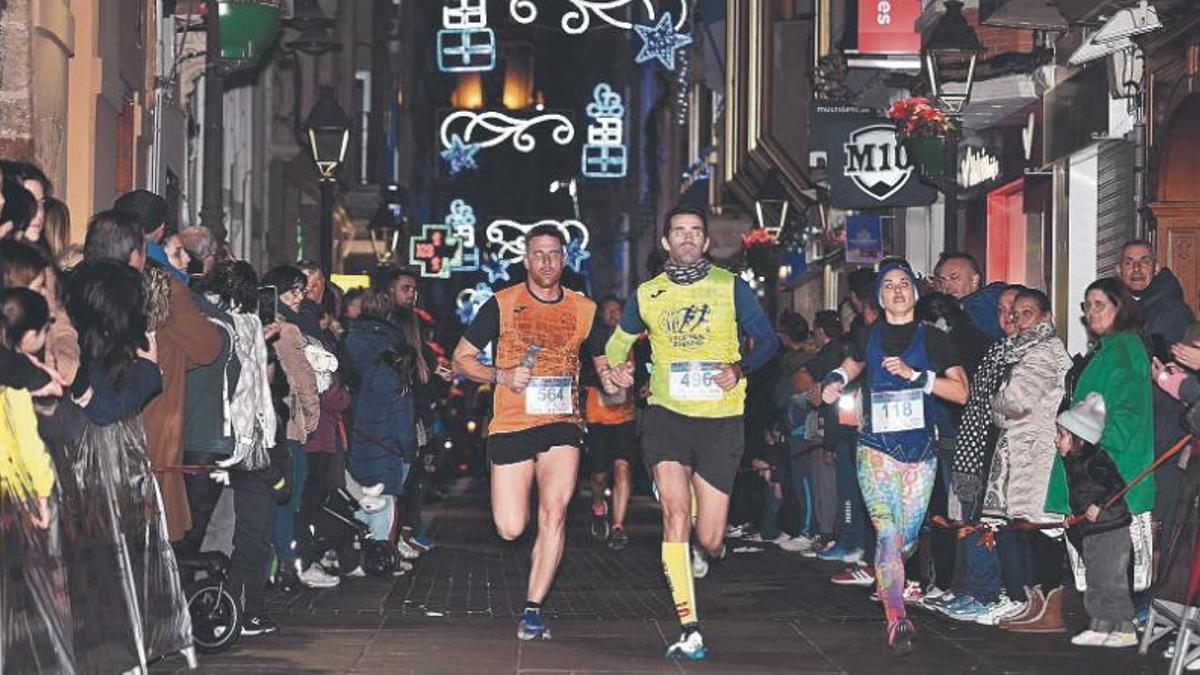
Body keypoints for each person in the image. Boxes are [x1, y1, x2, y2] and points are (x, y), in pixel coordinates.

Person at [598, 206, 779, 660]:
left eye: (695, 232)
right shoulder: (647, 295)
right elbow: (614, 348)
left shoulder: (730, 288)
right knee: (675, 515)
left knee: (711, 538)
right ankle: (690, 626)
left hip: (720, 419)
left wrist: (739, 367)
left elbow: (769, 342)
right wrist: (615, 374)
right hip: (666, 417)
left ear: (704, 242)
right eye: (678, 231)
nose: (686, 238)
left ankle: (704, 535)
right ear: (666, 242)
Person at [453, 224, 599, 642]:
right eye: (538, 254)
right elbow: (461, 358)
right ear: (525, 258)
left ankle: (533, 608)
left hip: (561, 421)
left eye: (554, 254)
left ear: (565, 258)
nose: (547, 262)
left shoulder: (583, 308)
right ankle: (530, 559)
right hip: (513, 421)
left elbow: (607, 356)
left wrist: (614, 372)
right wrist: (501, 374)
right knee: (511, 527)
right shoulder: (501, 304)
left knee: (554, 513)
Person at [819, 261, 969, 655]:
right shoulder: (868, 334)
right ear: (880, 296)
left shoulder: (934, 339)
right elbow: (850, 364)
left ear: (915, 294)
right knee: (886, 530)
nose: (898, 290)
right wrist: (835, 381)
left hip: (920, 453)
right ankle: (896, 616)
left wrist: (918, 377)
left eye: (905, 283)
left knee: (904, 539)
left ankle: (894, 568)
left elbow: (962, 393)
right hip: (876, 449)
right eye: (890, 285)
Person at [83, 208, 221, 542]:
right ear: (136, 251)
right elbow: (207, 347)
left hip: (91, 441)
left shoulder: (76, 285)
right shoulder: (162, 288)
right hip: (145, 430)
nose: (185, 261)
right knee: (144, 537)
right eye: (177, 253)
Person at [979, 288, 1071, 629]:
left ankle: (1051, 609)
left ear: (1045, 317)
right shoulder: (1022, 352)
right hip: (1026, 453)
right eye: (1014, 314)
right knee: (1030, 531)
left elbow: (1014, 400)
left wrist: (994, 402)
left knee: (1044, 531)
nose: (1017, 320)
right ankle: (1036, 605)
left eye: (1027, 313)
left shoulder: (1043, 352)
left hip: (1039, 454)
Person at [1116, 240, 1196, 550]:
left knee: (1154, 517)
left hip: (1161, 430)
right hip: (1135, 429)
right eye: (1129, 262)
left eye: (1144, 261)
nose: (1136, 268)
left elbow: (1147, 369)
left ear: (1157, 267)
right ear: (1119, 270)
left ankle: (1148, 593)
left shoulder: (1170, 310)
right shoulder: (1124, 307)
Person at [260, 265, 330, 588]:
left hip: (273, 421)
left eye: (303, 290)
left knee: (278, 496)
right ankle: (285, 564)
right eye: (295, 290)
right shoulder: (288, 329)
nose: (301, 297)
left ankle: (275, 564)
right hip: (289, 424)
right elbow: (303, 380)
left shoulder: (268, 322)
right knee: (290, 495)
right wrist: (311, 418)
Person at [1056, 393, 1138, 648]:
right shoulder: (1074, 463)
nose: (1056, 441)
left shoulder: (1095, 460)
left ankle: (1125, 628)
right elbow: (1082, 498)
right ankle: (1100, 625)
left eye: (1060, 435)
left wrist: (1100, 506)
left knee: (1112, 580)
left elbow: (1116, 486)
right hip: (1092, 531)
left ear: (1076, 437)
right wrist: (1074, 517)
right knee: (1096, 580)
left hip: (1111, 530)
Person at [583, 296, 638, 550]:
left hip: (625, 416)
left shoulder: (633, 339)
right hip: (598, 416)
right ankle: (597, 505)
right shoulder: (594, 341)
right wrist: (604, 378)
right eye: (609, 311)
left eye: (618, 310)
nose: (614, 315)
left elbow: (645, 368)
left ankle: (618, 525)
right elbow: (583, 373)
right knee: (599, 474)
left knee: (623, 468)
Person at [934, 252, 1005, 341]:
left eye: (954, 278)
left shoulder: (983, 308)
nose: (946, 286)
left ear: (975, 280)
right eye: (942, 281)